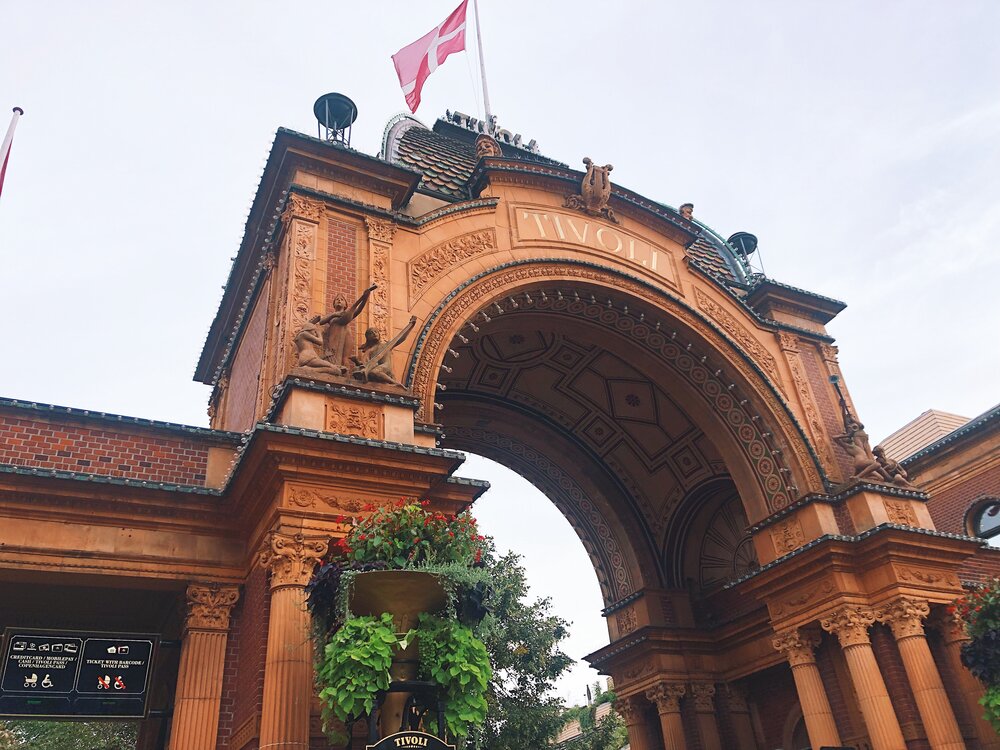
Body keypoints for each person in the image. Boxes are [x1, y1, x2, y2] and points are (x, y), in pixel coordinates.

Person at [320, 284, 377, 370]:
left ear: (345, 305)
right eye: (337, 300)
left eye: (342, 300)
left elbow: (358, 310)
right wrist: (334, 314)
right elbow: (321, 321)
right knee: (332, 356)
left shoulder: (346, 315)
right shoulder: (332, 316)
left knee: (345, 359)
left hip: (345, 335)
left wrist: (365, 297)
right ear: (334, 304)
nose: (339, 300)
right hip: (334, 338)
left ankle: (345, 374)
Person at [351, 316, 418, 387]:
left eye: (376, 332)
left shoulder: (386, 345)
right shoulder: (369, 351)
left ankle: (394, 383)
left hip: (386, 366)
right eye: (371, 333)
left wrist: (410, 325)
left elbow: (401, 338)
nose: (374, 334)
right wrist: (356, 361)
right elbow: (365, 363)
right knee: (360, 370)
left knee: (374, 372)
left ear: (379, 335)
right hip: (376, 367)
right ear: (368, 338)